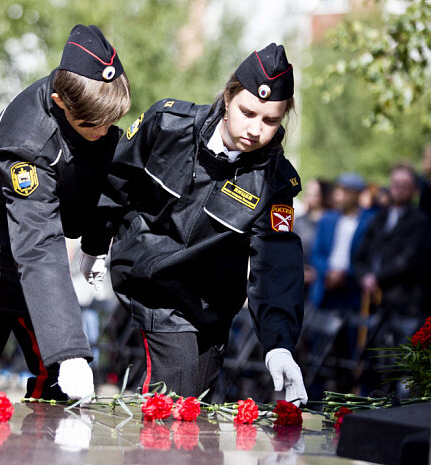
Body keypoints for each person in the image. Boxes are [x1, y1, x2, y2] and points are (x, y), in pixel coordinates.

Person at [84, 43, 307, 404]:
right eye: (247, 112)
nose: (255, 129)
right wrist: (94, 243)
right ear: (228, 96)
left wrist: (278, 345)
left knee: (199, 412)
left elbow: (276, 267)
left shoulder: (276, 181)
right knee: (170, 407)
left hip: (209, 306)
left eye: (270, 120)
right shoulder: (167, 124)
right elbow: (117, 180)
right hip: (153, 281)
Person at [0, 24, 131, 401]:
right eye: (94, 126)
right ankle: (50, 417)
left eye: (110, 123)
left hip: (38, 223)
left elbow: (104, 172)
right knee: (45, 343)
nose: (104, 131)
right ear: (60, 101)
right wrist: (69, 352)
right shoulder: (27, 141)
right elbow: (37, 246)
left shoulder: (89, 104)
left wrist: (96, 243)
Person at [354, 164, 431, 344]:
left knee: (398, 361)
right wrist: (364, 276)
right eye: (396, 183)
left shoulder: (420, 221)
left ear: (414, 189)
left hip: (405, 304)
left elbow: (408, 259)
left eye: (405, 184)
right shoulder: (379, 217)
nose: (399, 188)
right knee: (371, 358)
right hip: (374, 302)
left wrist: (377, 278)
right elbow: (360, 254)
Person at [309, 173, 375, 313]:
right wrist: (327, 272)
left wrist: (346, 273)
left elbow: (369, 256)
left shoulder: (369, 221)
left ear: (357, 194)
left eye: (346, 191)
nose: (339, 195)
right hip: (326, 286)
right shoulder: (327, 219)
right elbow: (316, 253)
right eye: (338, 189)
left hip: (352, 287)